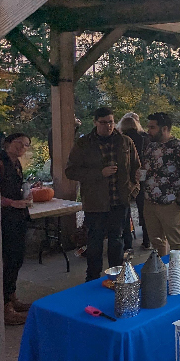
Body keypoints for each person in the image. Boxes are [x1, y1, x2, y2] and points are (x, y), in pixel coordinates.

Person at [66, 107, 140, 281]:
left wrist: (133, 189)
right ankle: (92, 278)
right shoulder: (84, 144)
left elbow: (136, 167)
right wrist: (100, 172)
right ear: (95, 122)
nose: (108, 126)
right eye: (104, 122)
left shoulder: (125, 142)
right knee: (95, 242)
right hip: (95, 202)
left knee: (117, 241)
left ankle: (116, 277)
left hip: (119, 201)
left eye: (111, 122)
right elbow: (71, 171)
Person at [142, 112, 180, 257]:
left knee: (176, 243)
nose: (149, 131)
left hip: (170, 202)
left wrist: (179, 201)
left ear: (164, 128)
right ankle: (162, 270)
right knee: (157, 241)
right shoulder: (151, 147)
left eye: (152, 127)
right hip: (150, 202)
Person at [0, 134, 33, 326]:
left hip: (18, 217)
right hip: (4, 218)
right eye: (18, 143)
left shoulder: (16, 164)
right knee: (8, 261)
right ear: (7, 144)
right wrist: (13, 203)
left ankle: (12, 297)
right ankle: (5, 307)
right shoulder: (0, 163)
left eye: (26, 145)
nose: (22, 147)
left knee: (17, 259)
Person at [119, 114, 150, 250]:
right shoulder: (145, 137)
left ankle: (127, 242)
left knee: (125, 210)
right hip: (143, 175)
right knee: (143, 207)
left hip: (126, 178)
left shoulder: (120, 139)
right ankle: (147, 239)